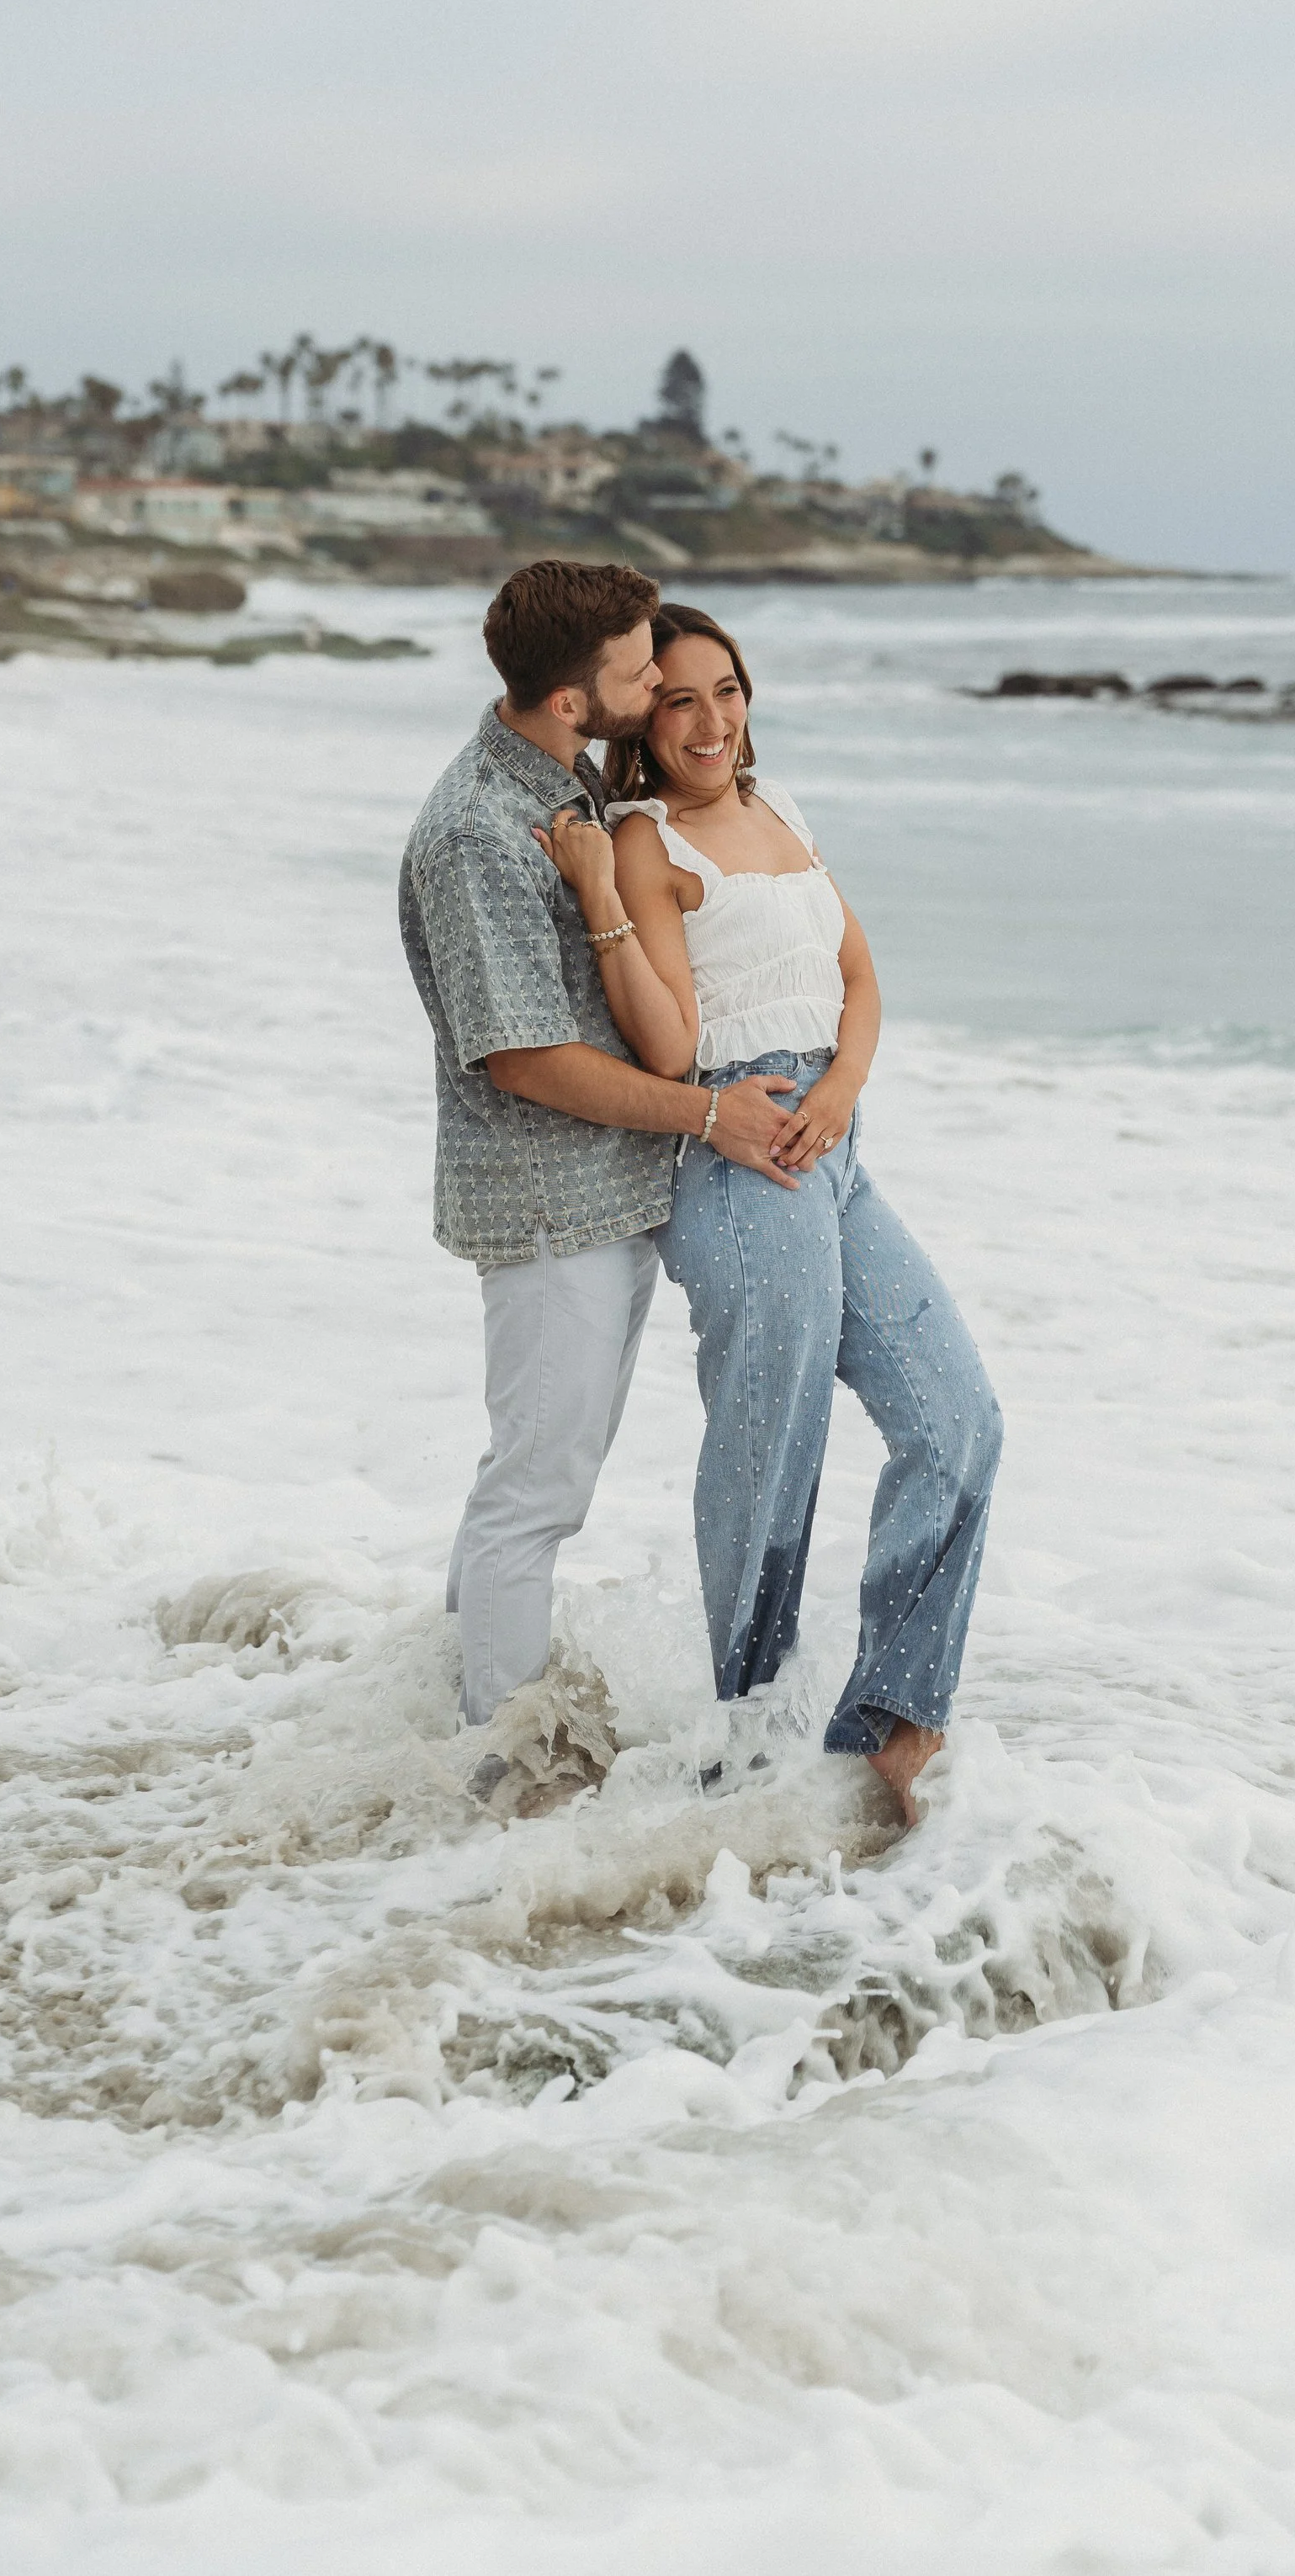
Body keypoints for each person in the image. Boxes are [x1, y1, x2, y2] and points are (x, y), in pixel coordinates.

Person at [540, 602, 1001, 1821]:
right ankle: (747, 1737)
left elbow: (858, 971)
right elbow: (670, 1043)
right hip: (740, 1154)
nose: (711, 722)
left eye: (728, 691)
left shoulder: (782, 806)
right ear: (644, 723)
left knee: (958, 1420)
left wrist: (843, 1087)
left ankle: (889, 1721)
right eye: (679, 700)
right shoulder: (643, 841)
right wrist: (602, 894)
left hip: (834, 1139)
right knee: (772, 1441)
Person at [398, 562, 802, 1766]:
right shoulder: (480, 831)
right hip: (549, 1209)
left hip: (603, 1196)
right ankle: (502, 1769)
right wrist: (707, 1114)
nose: (658, 678)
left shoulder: (567, 778)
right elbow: (525, 1059)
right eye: (638, 671)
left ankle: (456, 1725)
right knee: (537, 1497)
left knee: (528, 1481)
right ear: (574, 699)